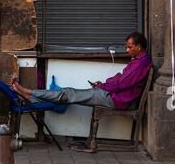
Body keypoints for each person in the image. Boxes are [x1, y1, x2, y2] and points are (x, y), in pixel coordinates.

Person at [12, 32, 152, 111]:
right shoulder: (138, 60)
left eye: (129, 47)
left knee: (68, 93)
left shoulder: (141, 63)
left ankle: (30, 93)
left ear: (138, 47)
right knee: (67, 95)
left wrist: (102, 86)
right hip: (113, 94)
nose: (127, 50)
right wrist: (103, 83)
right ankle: (30, 97)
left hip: (116, 99)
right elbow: (120, 78)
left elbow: (122, 84)